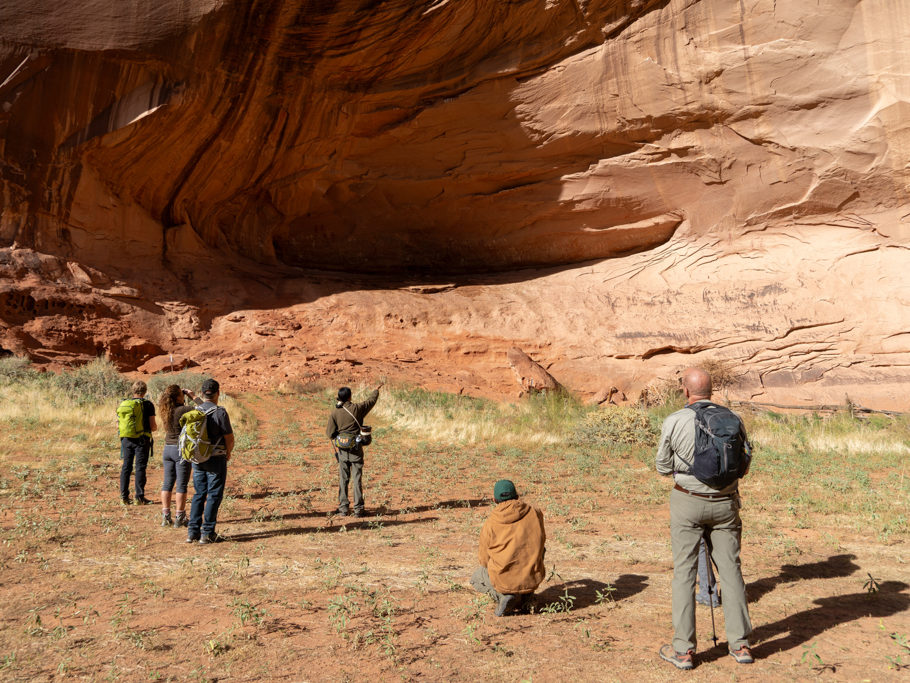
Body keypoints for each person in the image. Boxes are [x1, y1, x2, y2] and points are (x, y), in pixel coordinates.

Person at [656, 367, 753, 670]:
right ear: (712, 390)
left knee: (684, 573)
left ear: (685, 391)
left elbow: (661, 466)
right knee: (732, 572)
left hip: (688, 501)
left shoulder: (674, 420)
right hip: (726, 504)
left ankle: (684, 651)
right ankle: (740, 645)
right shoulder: (732, 419)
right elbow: (745, 463)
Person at [470, 480, 546, 617]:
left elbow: (483, 560)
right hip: (533, 577)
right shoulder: (535, 513)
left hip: (503, 582)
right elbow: (541, 542)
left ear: (494, 500)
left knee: (476, 578)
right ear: (517, 496)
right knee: (538, 550)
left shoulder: (491, 523)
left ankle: (502, 596)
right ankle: (527, 595)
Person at [186, 378, 234, 544]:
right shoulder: (220, 412)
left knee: (199, 493)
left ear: (202, 393)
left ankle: (192, 532)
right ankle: (207, 533)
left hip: (198, 458)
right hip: (216, 459)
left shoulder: (197, 410)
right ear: (218, 393)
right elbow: (229, 437)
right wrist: (228, 453)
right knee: (213, 494)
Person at [326, 384, 381, 517]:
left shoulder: (335, 412)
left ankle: (343, 509)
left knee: (343, 479)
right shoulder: (357, 408)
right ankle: (358, 509)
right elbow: (371, 401)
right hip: (356, 450)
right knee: (357, 479)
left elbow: (329, 433)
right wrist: (376, 390)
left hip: (342, 451)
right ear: (350, 397)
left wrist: (340, 438)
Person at [157, 384, 203, 527]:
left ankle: (166, 517)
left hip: (167, 449)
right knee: (181, 484)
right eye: (181, 394)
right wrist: (193, 396)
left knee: (167, 483)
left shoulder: (165, 411)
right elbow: (204, 408)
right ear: (178, 396)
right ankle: (180, 516)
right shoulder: (183, 410)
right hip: (180, 450)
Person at [118, 380, 157, 505]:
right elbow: (153, 426)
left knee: (126, 467)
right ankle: (139, 498)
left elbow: (120, 423)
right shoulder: (148, 404)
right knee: (140, 467)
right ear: (145, 391)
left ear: (133, 390)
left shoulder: (125, 403)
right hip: (142, 440)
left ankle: (124, 497)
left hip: (126, 439)